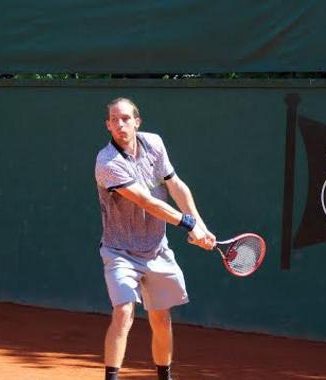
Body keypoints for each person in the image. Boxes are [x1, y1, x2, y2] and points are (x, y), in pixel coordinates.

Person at [94, 97, 216, 380]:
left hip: (157, 250)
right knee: (123, 311)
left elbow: (175, 184)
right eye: (114, 119)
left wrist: (199, 223)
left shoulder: (154, 144)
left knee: (161, 319)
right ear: (108, 126)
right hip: (120, 252)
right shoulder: (107, 162)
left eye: (125, 118)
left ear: (137, 121)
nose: (120, 123)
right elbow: (146, 202)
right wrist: (187, 225)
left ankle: (165, 377)